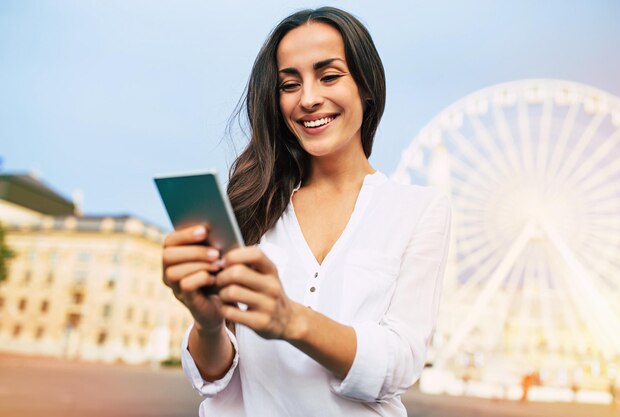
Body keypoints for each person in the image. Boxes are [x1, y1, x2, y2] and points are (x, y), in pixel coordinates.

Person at [162, 7, 451, 417]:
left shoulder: (420, 211)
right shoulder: (253, 204)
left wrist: (291, 321)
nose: (309, 98)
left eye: (329, 76)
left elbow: (400, 363)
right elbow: (214, 379)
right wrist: (207, 322)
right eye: (289, 84)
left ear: (367, 88)